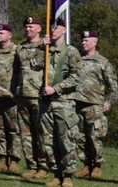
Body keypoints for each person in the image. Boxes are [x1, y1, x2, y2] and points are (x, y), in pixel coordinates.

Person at [40, 17, 82, 187]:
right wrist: (41, 49)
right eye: (51, 28)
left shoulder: (71, 51)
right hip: (45, 103)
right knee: (48, 141)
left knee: (66, 140)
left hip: (63, 102)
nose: (52, 31)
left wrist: (56, 88)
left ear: (64, 30)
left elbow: (77, 76)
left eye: (56, 28)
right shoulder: (46, 50)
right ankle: (56, 174)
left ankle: (68, 176)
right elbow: (34, 66)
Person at [73, 30, 117, 179]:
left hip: (95, 105)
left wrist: (108, 102)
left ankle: (97, 167)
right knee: (80, 137)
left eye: (87, 41)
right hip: (77, 104)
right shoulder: (78, 60)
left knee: (95, 137)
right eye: (82, 41)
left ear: (95, 42)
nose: (83, 43)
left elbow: (113, 87)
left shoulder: (103, 62)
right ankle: (86, 166)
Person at [16, 16, 49, 179]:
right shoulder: (20, 48)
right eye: (26, 26)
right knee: (25, 134)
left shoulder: (45, 47)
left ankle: (43, 167)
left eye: (31, 26)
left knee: (41, 133)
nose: (28, 29)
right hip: (22, 95)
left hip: (38, 96)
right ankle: (31, 165)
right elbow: (16, 71)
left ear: (39, 28)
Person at [0, 22, 21, 173]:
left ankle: (14, 160)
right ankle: (2, 159)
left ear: (10, 35)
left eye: (2, 33)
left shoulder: (17, 52)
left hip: (11, 98)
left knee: (14, 130)